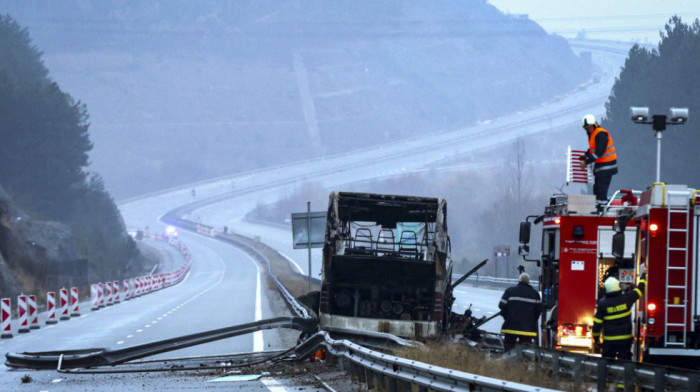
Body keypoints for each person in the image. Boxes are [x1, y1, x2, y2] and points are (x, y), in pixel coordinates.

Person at [592, 266, 647, 360]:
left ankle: (608, 374)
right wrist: (643, 275)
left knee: (608, 364)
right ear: (618, 287)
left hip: (609, 342)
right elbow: (640, 289)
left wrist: (596, 338)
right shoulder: (627, 298)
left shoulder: (602, 304)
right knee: (625, 362)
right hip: (625, 340)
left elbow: (597, 324)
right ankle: (626, 374)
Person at [579, 114, 618, 212]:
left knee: (601, 188)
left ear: (592, 126)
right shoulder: (594, 134)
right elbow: (593, 149)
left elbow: (599, 152)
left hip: (607, 166)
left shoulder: (600, 134)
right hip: (602, 166)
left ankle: (602, 208)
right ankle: (599, 207)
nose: (586, 130)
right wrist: (586, 154)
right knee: (597, 188)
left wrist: (586, 162)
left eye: (587, 128)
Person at [499, 272, 542, 352]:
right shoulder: (535, 294)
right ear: (528, 281)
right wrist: (532, 321)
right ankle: (523, 363)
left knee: (509, 346)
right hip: (527, 329)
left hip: (511, 327)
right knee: (525, 350)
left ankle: (509, 362)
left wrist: (507, 317)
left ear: (519, 280)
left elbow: (502, 305)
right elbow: (538, 310)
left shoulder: (509, 291)